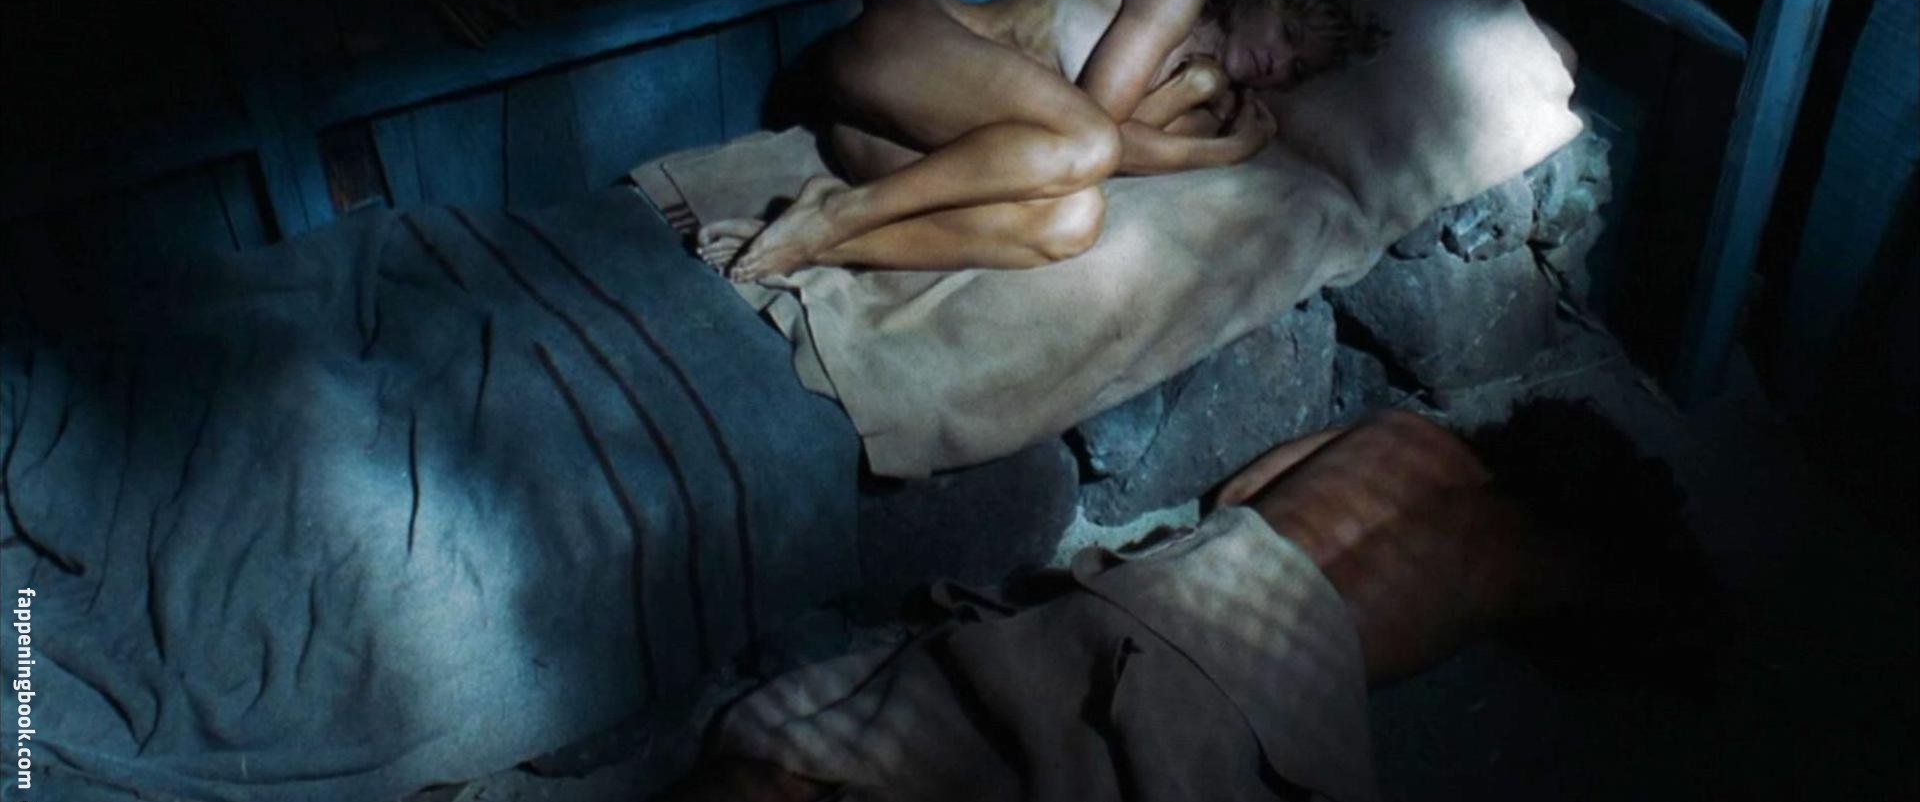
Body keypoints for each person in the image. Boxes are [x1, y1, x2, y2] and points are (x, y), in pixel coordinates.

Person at [659, 399, 1711, 801]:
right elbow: (1641, 626)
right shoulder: (1556, 558)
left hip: (1188, 577)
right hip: (1274, 674)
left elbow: (1236, 494)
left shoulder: (1402, 431)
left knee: (877, 730)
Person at [696, 0, 1391, 281]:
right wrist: (1226, 150)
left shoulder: (1212, 101)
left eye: (1298, 68)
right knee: (1091, 144)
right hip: (897, 49)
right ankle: (842, 215)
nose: (1278, 62)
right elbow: (1101, 131)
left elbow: (1102, 156)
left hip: (881, 142)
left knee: (1075, 217)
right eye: (1288, 33)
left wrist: (1195, 98)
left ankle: (825, 237)